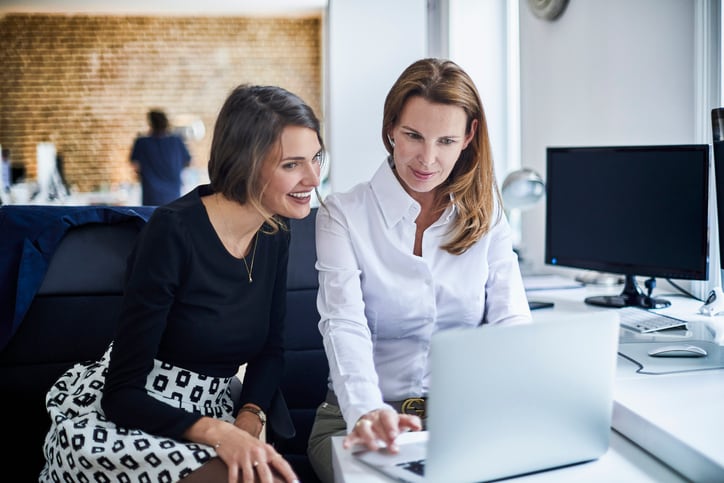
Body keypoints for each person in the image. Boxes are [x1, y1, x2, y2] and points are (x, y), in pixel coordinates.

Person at [41, 84, 325, 483]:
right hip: (133, 413)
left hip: (216, 409)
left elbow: (270, 350)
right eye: (292, 164)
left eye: (315, 158)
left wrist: (249, 417)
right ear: (246, 162)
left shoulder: (275, 230)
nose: (313, 177)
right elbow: (122, 395)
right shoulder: (172, 231)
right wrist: (220, 433)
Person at [306, 58, 532, 482]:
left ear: (469, 136)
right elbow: (343, 324)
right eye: (413, 136)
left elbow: (511, 320)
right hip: (359, 419)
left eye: (446, 140)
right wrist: (368, 411)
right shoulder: (343, 214)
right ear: (391, 128)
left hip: (459, 418)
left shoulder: (488, 216)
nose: (427, 158)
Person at [131, 109, 192, 206]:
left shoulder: (142, 142)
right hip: (173, 194)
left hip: (151, 195)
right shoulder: (176, 141)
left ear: (151, 123)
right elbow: (188, 162)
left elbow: (135, 164)